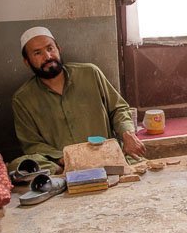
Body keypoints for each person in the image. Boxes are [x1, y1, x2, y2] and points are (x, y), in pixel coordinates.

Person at [10, 26, 145, 173]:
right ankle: (67, 173)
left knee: (140, 164)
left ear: (58, 49)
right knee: (18, 165)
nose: (48, 57)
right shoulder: (22, 99)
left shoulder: (90, 73)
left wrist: (127, 134)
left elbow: (118, 109)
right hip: (63, 162)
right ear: (27, 61)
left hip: (106, 154)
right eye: (37, 53)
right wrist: (66, 158)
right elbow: (32, 144)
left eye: (50, 48)